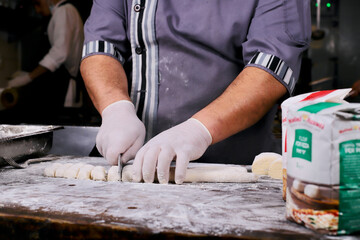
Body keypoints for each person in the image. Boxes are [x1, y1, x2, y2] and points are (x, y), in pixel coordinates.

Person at [80, 1, 311, 184]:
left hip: (229, 173)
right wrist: (115, 108)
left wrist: (198, 131)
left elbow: (272, 66)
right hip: (126, 166)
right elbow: (100, 46)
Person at [7, 0, 84, 109]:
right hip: (65, 86)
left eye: (38, 3)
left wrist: (28, 77)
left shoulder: (64, 11)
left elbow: (60, 53)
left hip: (62, 88)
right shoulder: (66, 11)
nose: (37, 10)